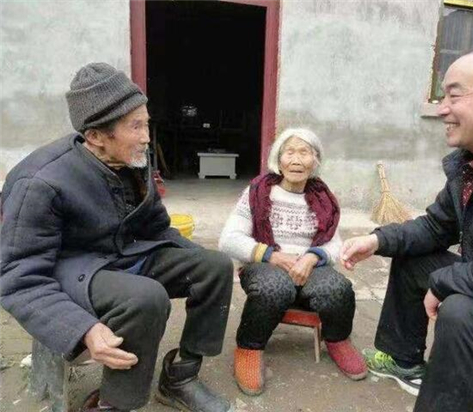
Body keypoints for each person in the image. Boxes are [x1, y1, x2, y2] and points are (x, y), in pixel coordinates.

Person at [0, 63, 233, 412]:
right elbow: (17, 279)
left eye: (146, 123)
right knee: (146, 298)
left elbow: (156, 227)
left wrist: (196, 260)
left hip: (121, 255)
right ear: (96, 136)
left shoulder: (132, 158)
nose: (146, 137)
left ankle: (180, 377)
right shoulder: (40, 181)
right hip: (71, 269)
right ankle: (115, 403)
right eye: (135, 126)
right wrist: (81, 329)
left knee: (215, 266)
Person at [341, 41, 473, 411]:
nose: (441, 109)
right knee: (414, 256)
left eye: (454, 95)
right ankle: (404, 361)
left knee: (462, 313)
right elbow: (436, 227)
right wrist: (378, 240)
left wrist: (442, 284)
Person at [219, 128, 367, 396]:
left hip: (309, 266)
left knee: (338, 288)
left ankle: (337, 339)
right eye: (289, 152)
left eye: (304, 152)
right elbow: (228, 239)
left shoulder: (324, 198)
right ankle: (249, 348)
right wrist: (272, 255)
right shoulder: (258, 192)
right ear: (278, 158)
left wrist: (312, 256)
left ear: (315, 160)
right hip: (266, 264)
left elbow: (334, 244)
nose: (296, 160)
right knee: (273, 287)